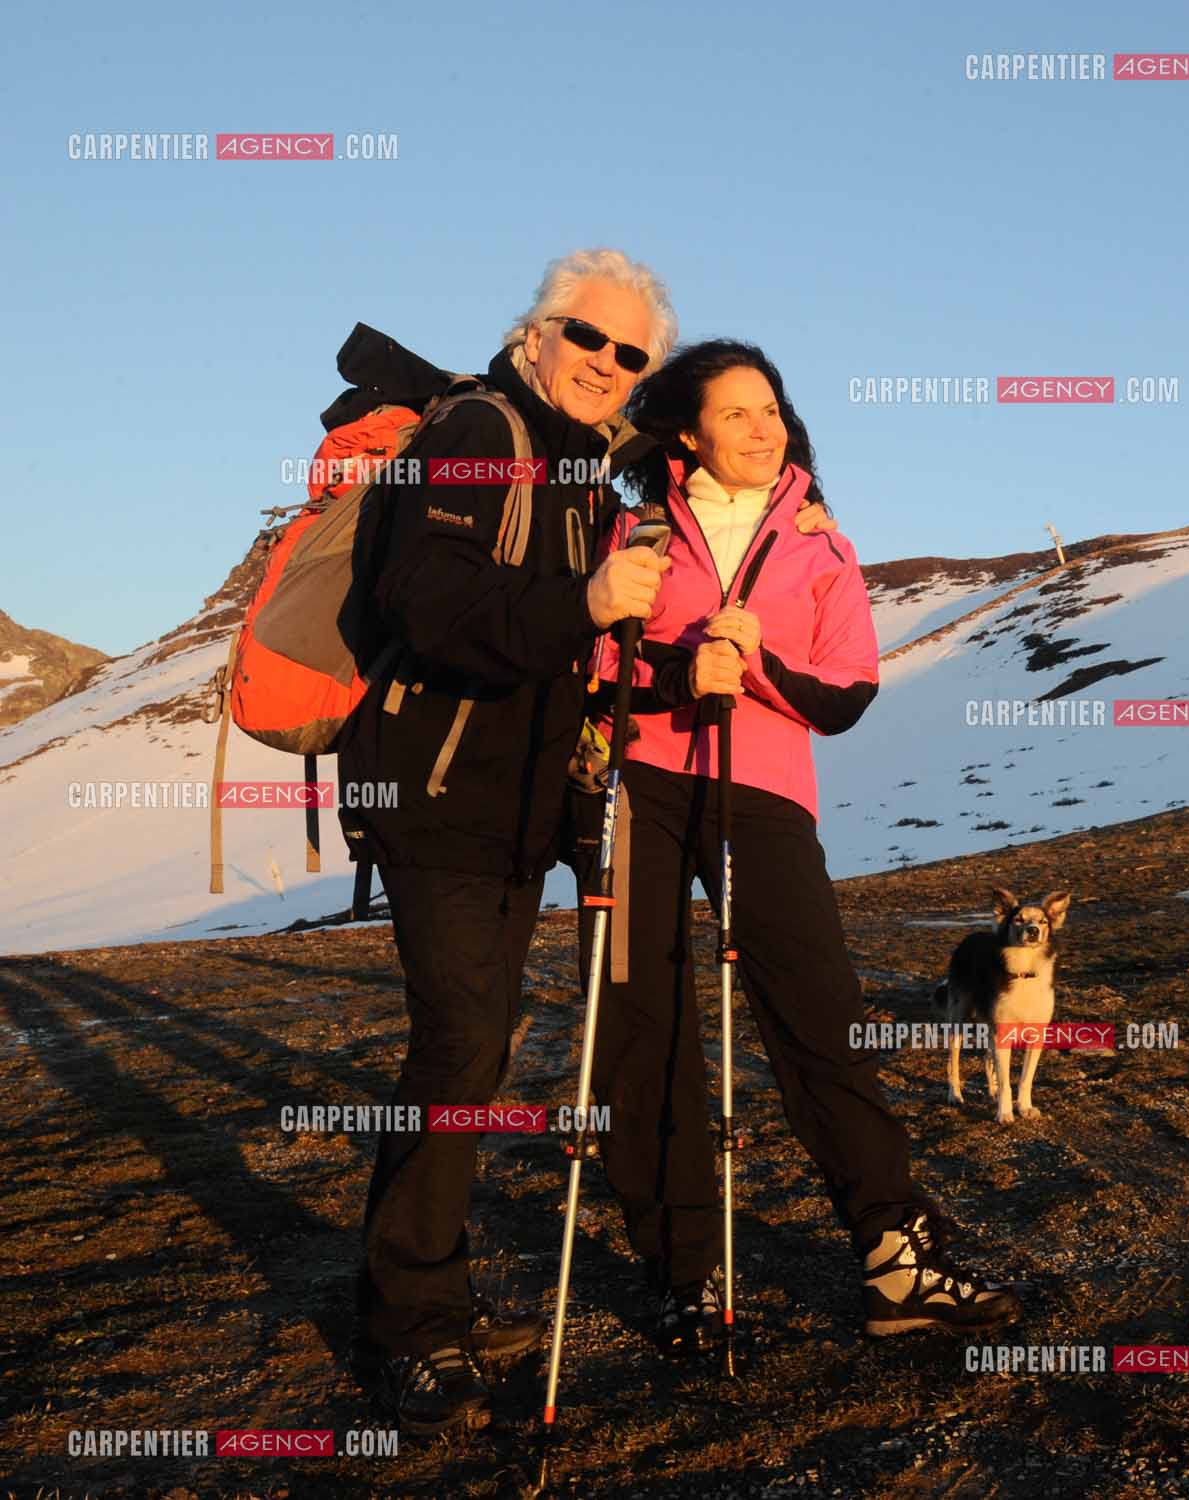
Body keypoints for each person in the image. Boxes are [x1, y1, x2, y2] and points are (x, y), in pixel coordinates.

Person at [582, 339, 1022, 1357]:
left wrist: (757, 662)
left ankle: (896, 1258)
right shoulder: (632, 526)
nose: (763, 426)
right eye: (736, 412)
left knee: (821, 1015)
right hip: (640, 789)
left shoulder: (821, 546)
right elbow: (595, 656)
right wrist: (680, 671)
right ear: (685, 433)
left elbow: (850, 691)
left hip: (764, 793)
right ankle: (681, 1274)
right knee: (645, 1031)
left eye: (771, 408)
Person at [337, 248, 678, 1437]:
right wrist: (583, 604)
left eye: (633, 355)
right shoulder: (481, 429)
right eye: (589, 338)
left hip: (517, 804)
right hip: (436, 789)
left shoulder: (588, 475)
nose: (607, 365)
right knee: (462, 1042)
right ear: (538, 335)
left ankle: (426, 1294)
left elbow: (566, 653)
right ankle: (409, 1328)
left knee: (472, 1053)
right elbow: (422, 602)